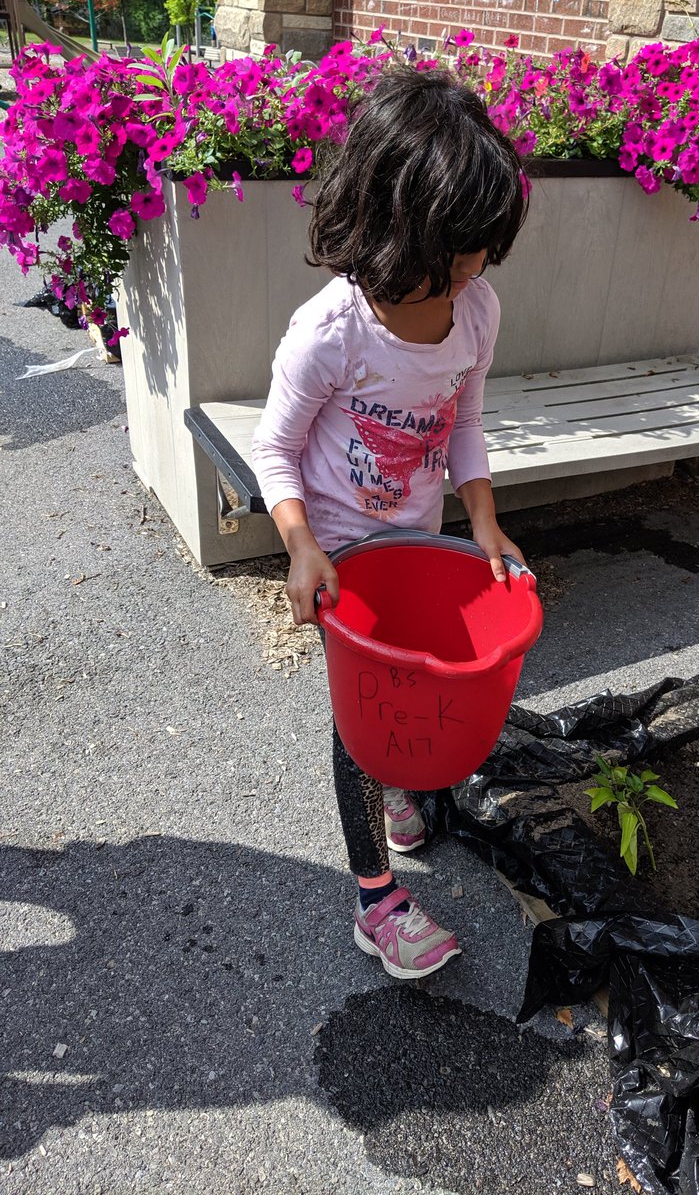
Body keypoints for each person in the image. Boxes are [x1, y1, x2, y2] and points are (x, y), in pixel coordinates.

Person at [251, 66, 528, 981]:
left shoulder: (475, 311)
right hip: (343, 561)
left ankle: (394, 782)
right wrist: (301, 548)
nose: (472, 267)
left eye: (482, 246)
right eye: (457, 248)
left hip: (415, 539)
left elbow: (467, 420)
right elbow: (274, 447)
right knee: (362, 722)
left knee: (411, 687)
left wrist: (482, 520)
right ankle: (376, 900)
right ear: (391, 222)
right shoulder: (332, 330)